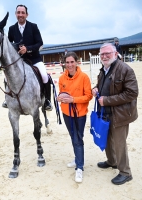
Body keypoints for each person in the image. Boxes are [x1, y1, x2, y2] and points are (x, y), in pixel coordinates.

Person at [92, 43, 138, 185]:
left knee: (119, 143)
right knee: (107, 139)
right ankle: (112, 161)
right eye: (102, 54)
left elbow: (132, 93)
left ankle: (125, 172)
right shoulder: (104, 69)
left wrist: (107, 100)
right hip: (106, 112)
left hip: (120, 114)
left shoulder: (125, 69)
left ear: (115, 53)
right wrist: (95, 88)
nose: (104, 56)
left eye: (107, 53)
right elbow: (103, 86)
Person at [2, 4, 52, 111]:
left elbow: (39, 43)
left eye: (22, 13)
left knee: (44, 75)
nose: (20, 15)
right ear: (16, 14)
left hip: (34, 59)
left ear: (27, 15)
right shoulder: (12, 29)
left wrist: (27, 49)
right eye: (18, 12)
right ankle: (8, 99)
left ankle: (47, 100)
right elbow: (9, 46)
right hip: (19, 61)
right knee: (6, 77)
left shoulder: (33, 27)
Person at [57, 52, 92, 183]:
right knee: (73, 137)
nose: (70, 65)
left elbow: (88, 96)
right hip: (67, 113)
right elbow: (62, 94)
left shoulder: (84, 77)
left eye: (72, 62)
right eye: (67, 62)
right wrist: (59, 98)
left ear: (77, 62)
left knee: (78, 138)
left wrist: (73, 99)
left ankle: (80, 167)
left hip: (80, 114)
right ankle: (78, 158)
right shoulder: (61, 78)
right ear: (64, 64)